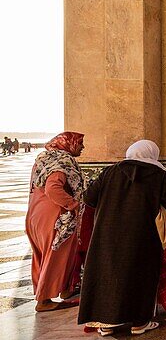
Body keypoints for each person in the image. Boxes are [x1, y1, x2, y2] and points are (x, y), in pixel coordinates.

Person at [78, 140, 166, 335]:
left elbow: (89, 198)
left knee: (108, 273)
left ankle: (107, 323)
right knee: (141, 275)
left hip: (107, 234)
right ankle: (139, 323)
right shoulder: (160, 175)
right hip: (143, 234)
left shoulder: (110, 172)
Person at [26, 131, 86, 312]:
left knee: (43, 256)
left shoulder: (44, 158)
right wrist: (73, 204)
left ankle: (65, 290)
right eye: (80, 143)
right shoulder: (63, 162)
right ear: (69, 144)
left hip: (37, 213)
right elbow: (53, 188)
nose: (82, 147)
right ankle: (44, 300)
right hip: (55, 215)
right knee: (55, 256)